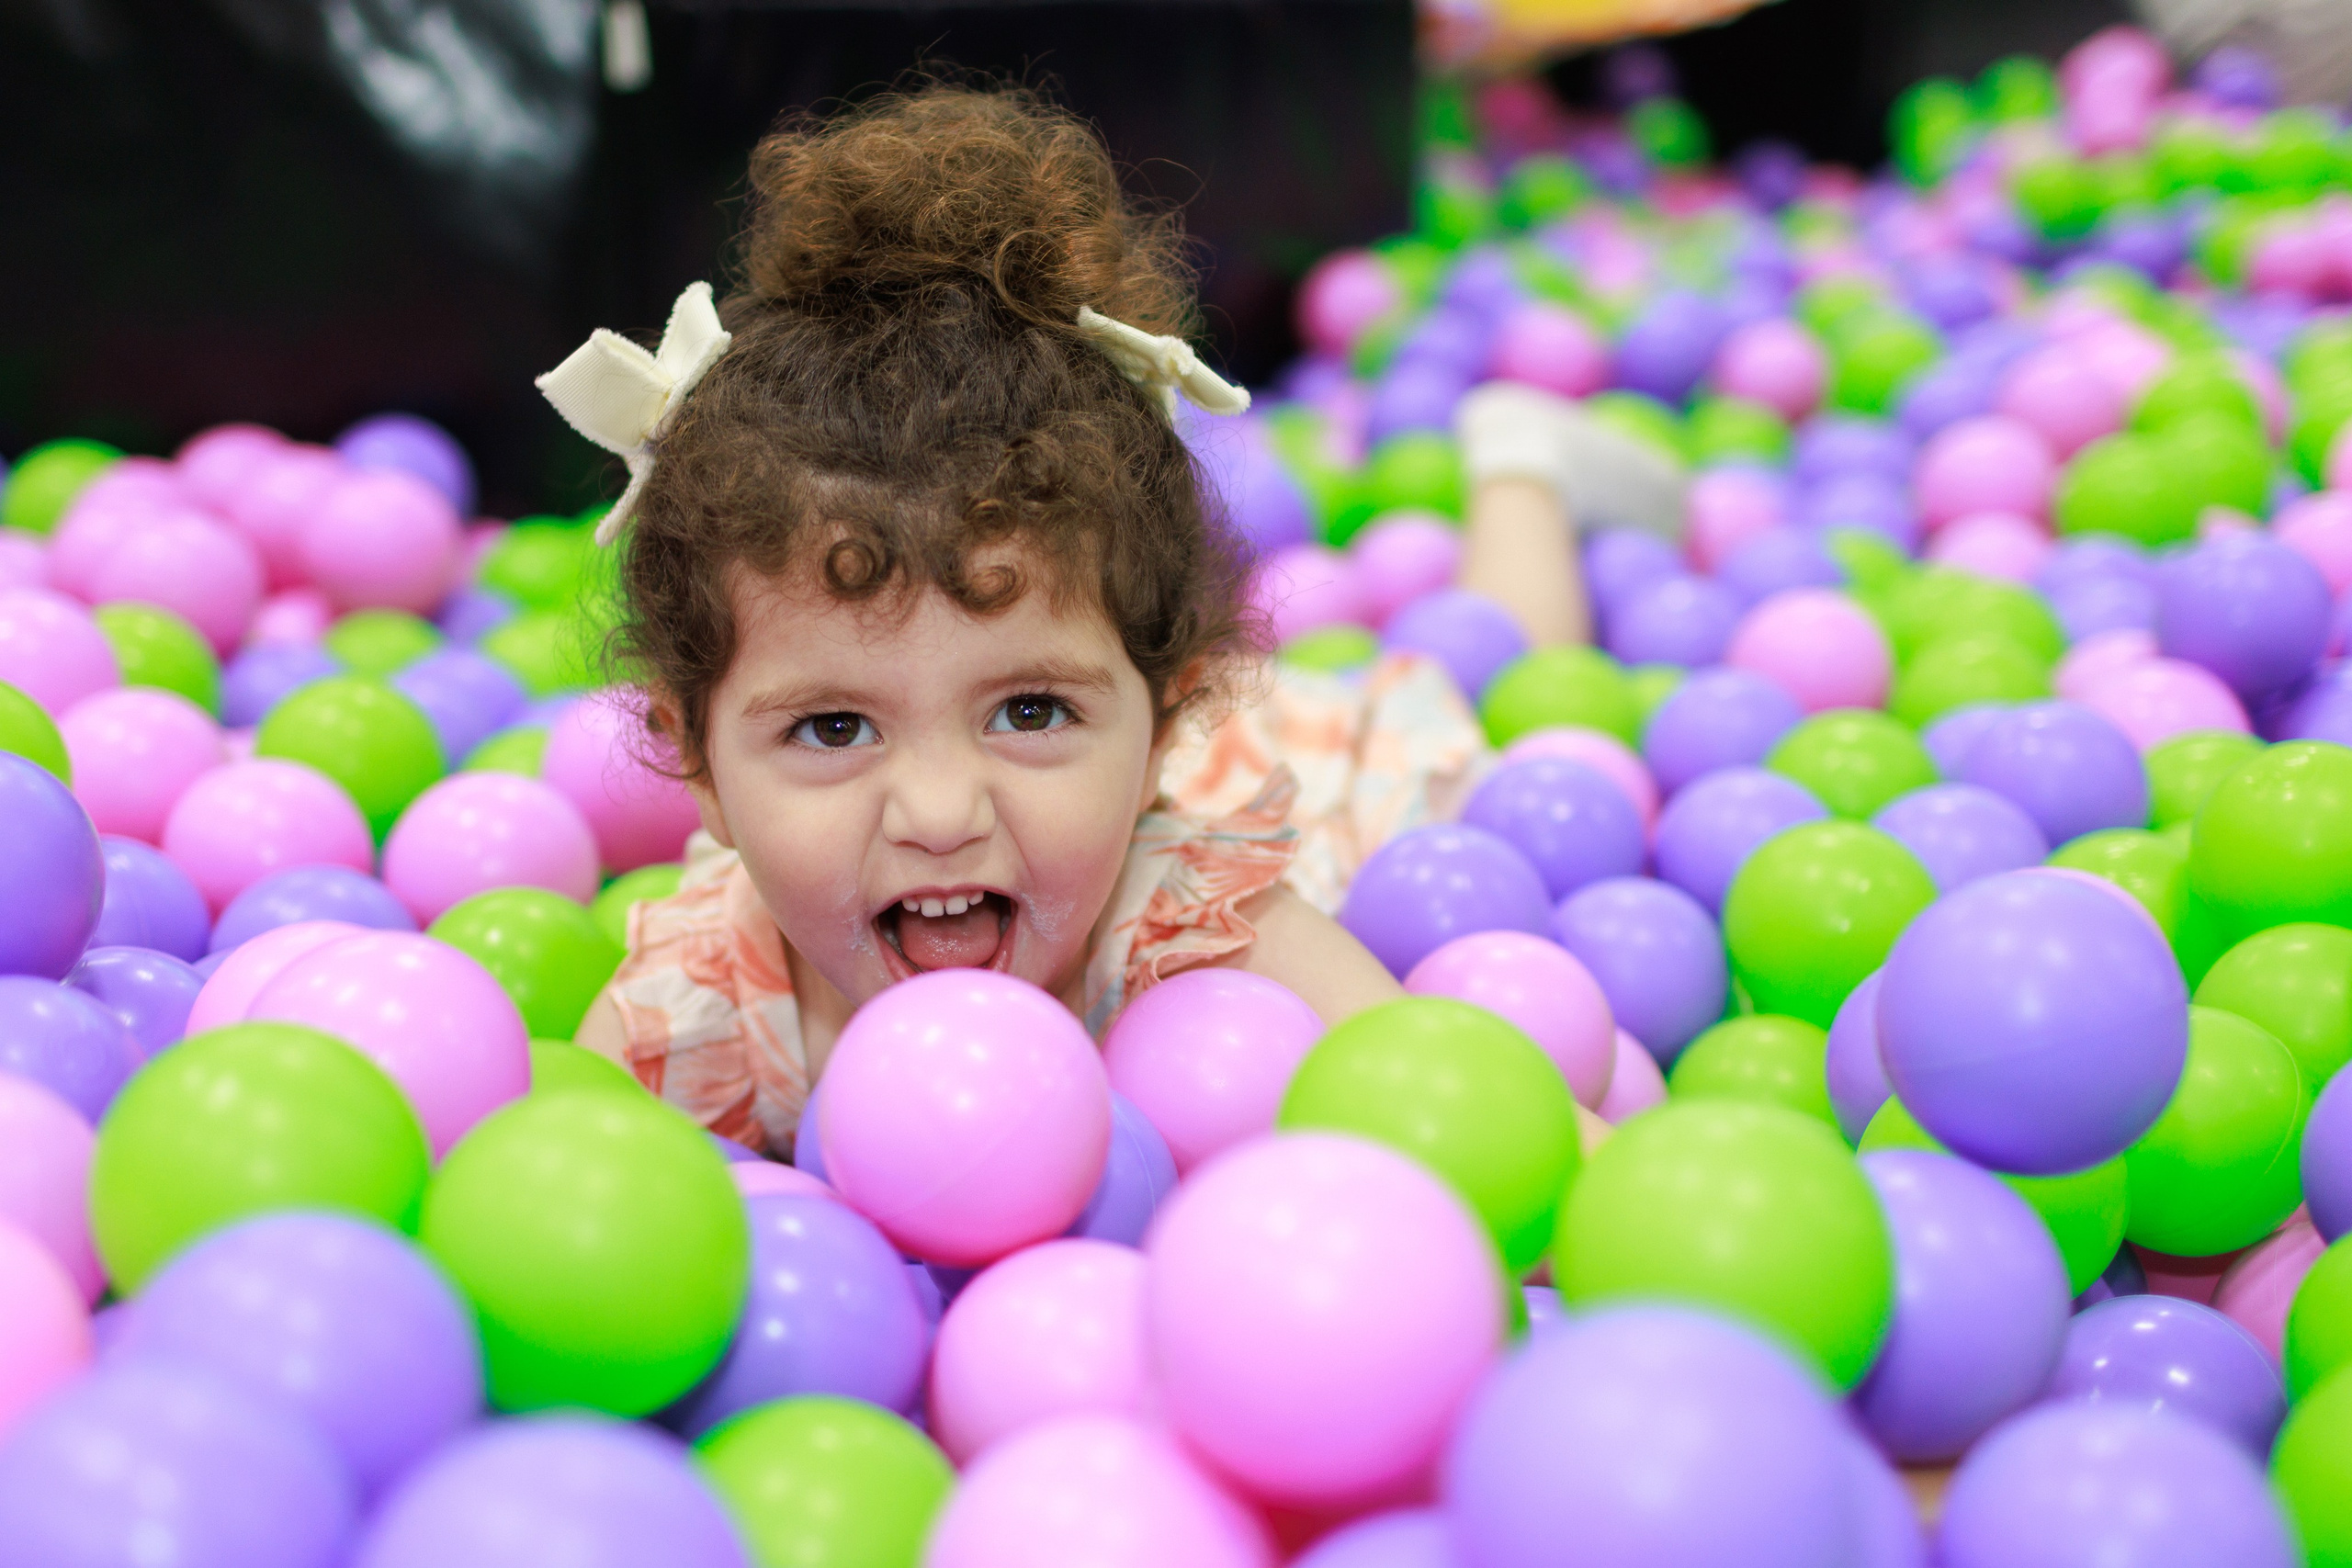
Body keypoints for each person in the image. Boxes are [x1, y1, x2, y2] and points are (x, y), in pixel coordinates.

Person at [560, 84, 1648, 1156]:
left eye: (1029, 710)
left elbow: (1530, 1164)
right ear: (693, 756)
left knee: (1500, 673)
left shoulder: (1205, 941)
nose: (939, 814)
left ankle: (1520, 468)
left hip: (1317, 775)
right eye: (833, 729)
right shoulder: (687, 1015)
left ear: (1167, 720)